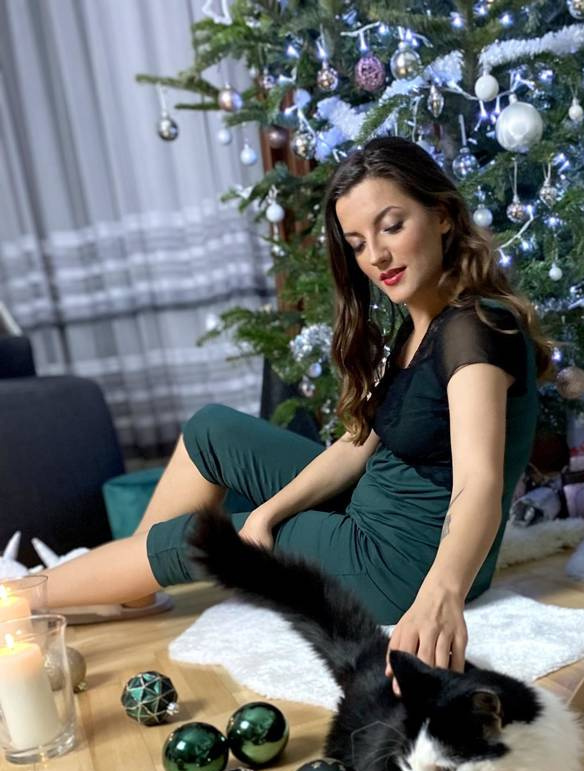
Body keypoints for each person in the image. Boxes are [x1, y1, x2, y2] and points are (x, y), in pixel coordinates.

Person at [43, 136, 551, 680]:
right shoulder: (417, 328)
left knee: (197, 540)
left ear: (443, 215)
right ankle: (128, 591)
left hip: (400, 563)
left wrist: (441, 593)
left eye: (391, 226)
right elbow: (356, 448)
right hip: (371, 509)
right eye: (357, 243)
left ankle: (20, 598)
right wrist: (267, 513)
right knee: (212, 430)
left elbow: (479, 481)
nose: (376, 257)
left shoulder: (475, 329)